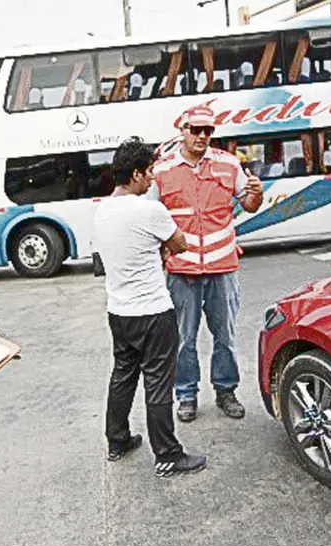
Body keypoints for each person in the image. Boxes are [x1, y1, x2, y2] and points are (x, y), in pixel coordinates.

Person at [94, 138, 207, 478]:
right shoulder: (149, 210)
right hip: (154, 313)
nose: (153, 179)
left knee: (123, 376)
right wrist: (163, 249)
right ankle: (168, 456)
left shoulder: (102, 211)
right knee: (158, 383)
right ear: (137, 174)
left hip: (119, 312)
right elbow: (181, 244)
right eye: (150, 173)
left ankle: (117, 440)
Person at [145, 105, 263, 423]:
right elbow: (148, 216)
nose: (202, 136)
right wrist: (161, 255)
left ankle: (226, 391)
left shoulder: (228, 164)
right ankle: (186, 395)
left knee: (224, 335)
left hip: (223, 266)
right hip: (181, 271)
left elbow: (249, 205)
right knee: (183, 338)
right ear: (182, 130)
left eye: (208, 131)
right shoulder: (163, 169)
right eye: (196, 130)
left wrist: (257, 194)